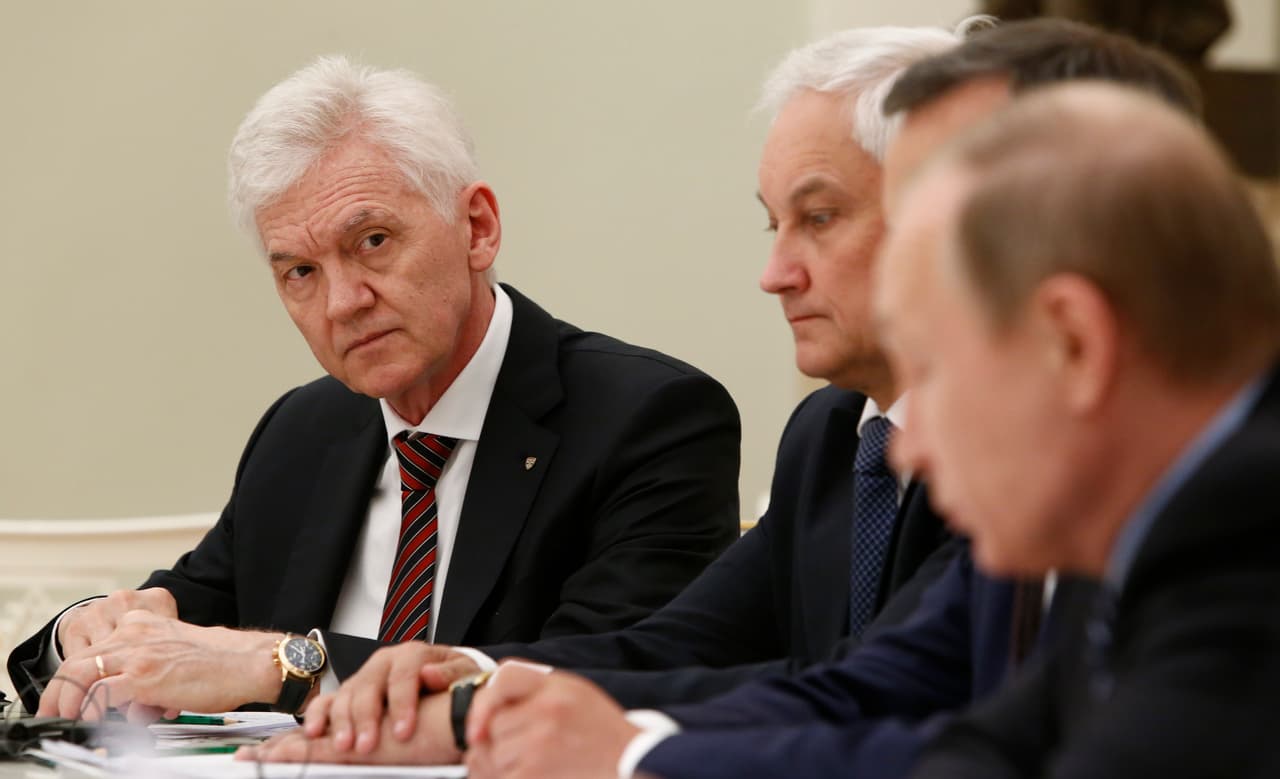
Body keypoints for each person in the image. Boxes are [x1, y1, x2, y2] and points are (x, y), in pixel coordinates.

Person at [242, 19, 1206, 779]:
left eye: (820, 217)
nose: (775, 273)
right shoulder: (834, 435)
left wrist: (623, 752)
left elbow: (965, 739)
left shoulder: (1212, 500)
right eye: (773, 223)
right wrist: (482, 688)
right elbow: (845, 684)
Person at [7, 55, 743, 720]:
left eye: (373, 242)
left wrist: (287, 665)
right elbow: (180, 620)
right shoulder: (305, 431)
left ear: (477, 227)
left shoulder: (649, 420)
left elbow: (604, 683)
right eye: (300, 271)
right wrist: (88, 631)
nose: (341, 302)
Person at [882, 83, 1280, 777]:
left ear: (1074, 344)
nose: (905, 448)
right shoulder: (1134, 517)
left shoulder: (1248, 547)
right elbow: (989, 746)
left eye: (930, 369)